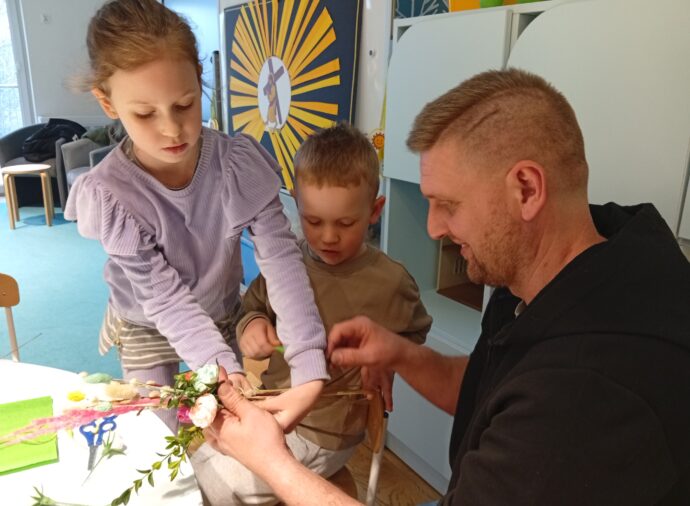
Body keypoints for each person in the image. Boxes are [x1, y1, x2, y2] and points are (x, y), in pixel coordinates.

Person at [203, 67, 690, 505]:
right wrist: (399, 354)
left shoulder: (583, 398)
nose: (433, 228)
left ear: (526, 189)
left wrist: (272, 462)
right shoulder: (570, 264)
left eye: (449, 205)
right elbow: (488, 387)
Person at [64, 0, 327, 432]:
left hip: (220, 310)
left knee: (228, 414)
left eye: (185, 105)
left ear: (199, 80)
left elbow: (282, 261)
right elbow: (163, 298)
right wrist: (218, 365)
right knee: (158, 429)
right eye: (145, 114)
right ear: (107, 103)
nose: (171, 129)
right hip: (145, 322)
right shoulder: (112, 194)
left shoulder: (236, 165)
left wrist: (308, 361)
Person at [192, 123, 432, 505]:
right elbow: (252, 306)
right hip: (271, 404)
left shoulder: (392, 283)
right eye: (313, 221)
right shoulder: (287, 263)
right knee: (201, 461)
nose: (328, 237)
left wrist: (388, 361)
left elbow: (416, 332)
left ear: (374, 211)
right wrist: (252, 325)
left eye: (346, 223)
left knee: (214, 483)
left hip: (326, 431)